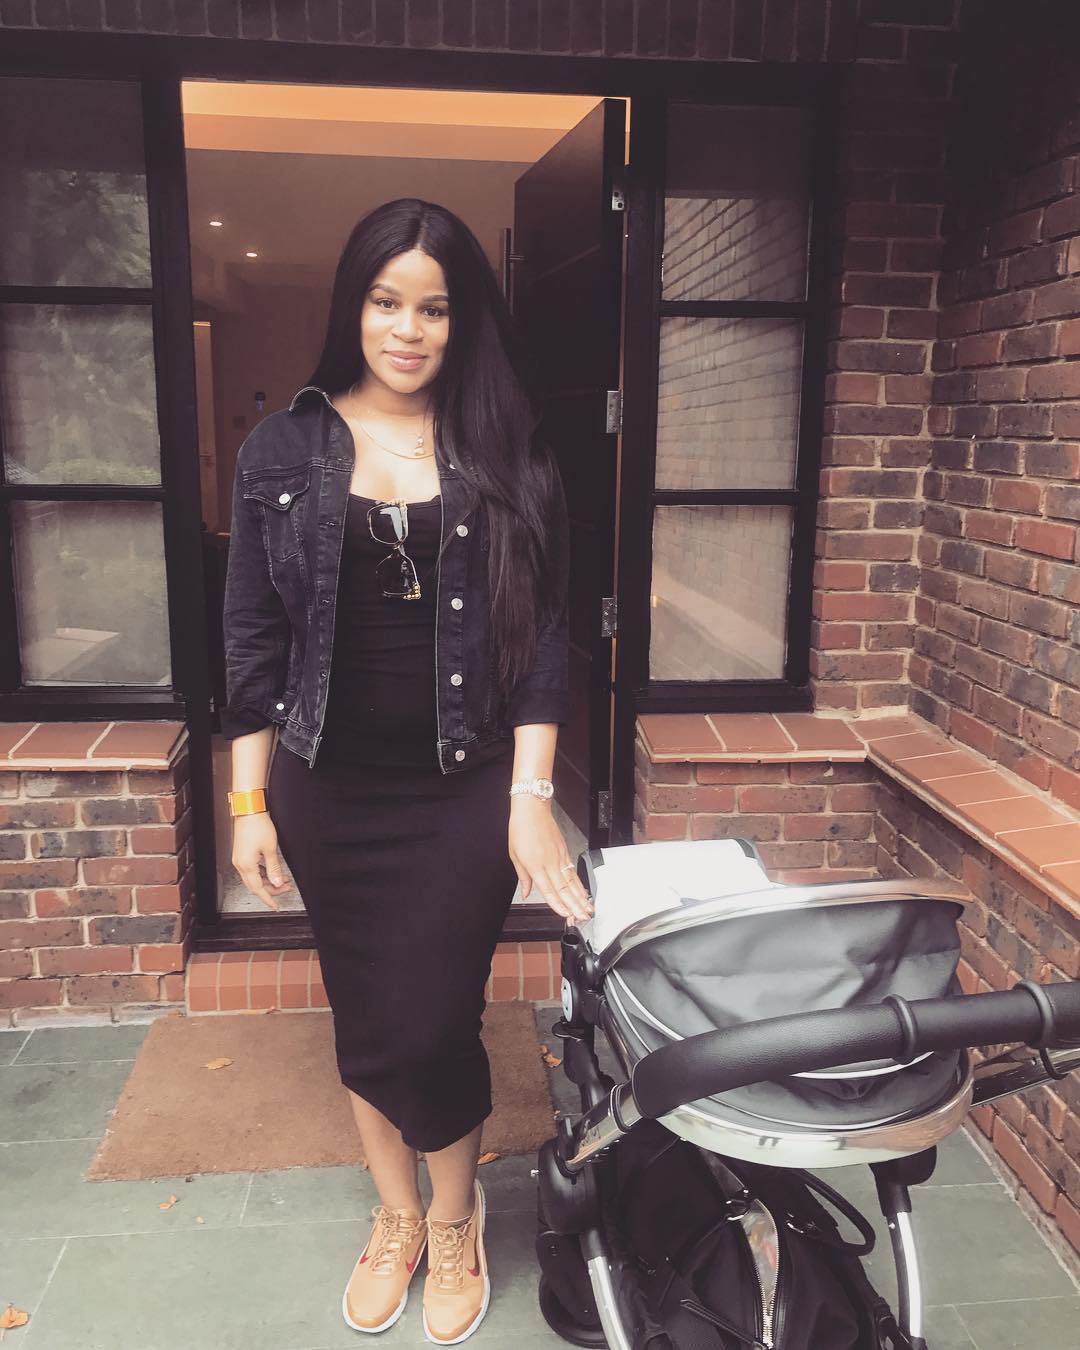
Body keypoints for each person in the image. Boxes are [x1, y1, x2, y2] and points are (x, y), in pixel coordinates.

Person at [220, 197, 593, 1344]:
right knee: (368, 1013)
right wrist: (248, 804)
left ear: (461, 319)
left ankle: (455, 1216)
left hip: (463, 784)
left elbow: (544, 643)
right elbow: (252, 641)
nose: (407, 329)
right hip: (325, 785)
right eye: (388, 302)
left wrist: (531, 800)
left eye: (433, 308)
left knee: (434, 1020)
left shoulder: (510, 451)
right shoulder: (283, 449)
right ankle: (398, 1218)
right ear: (356, 305)